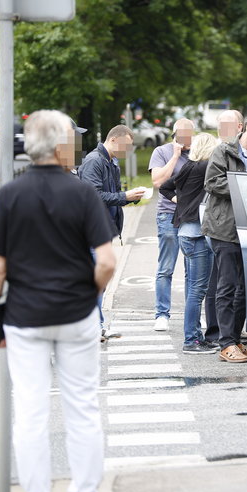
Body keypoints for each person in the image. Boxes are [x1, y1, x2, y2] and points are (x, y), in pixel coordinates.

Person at [0, 110, 116, 492]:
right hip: (76, 317)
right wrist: (87, 293)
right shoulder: (82, 195)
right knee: (83, 408)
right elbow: (108, 261)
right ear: (62, 147)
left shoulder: (9, 196)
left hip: (26, 318)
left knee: (32, 412)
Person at [202, 111, 247, 363]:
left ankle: (235, 339)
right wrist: (245, 187)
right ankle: (225, 344)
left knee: (245, 288)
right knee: (227, 286)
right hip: (225, 228)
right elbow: (212, 183)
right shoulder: (223, 152)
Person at [78, 125, 145, 338]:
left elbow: (114, 194)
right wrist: (125, 196)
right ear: (114, 140)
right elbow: (94, 197)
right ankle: (93, 327)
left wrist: (131, 197)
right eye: (126, 144)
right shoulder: (94, 161)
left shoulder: (112, 162)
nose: (128, 150)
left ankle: (95, 325)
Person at [159, 133, 220, 354]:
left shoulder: (188, 167)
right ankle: (191, 340)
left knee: (197, 288)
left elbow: (165, 187)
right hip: (197, 234)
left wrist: (182, 202)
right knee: (197, 290)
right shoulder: (205, 167)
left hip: (187, 232)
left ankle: (196, 336)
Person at [149, 118, 195, 331]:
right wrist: (176, 155)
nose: (187, 139)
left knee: (192, 268)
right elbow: (158, 182)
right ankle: (162, 314)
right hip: (168, 215)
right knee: (166, 266)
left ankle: (191, 314)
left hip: (191, 216)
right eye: (183, 135)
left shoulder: (196, 152)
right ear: (174, 134)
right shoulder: (162, 151)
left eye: (190, 134)